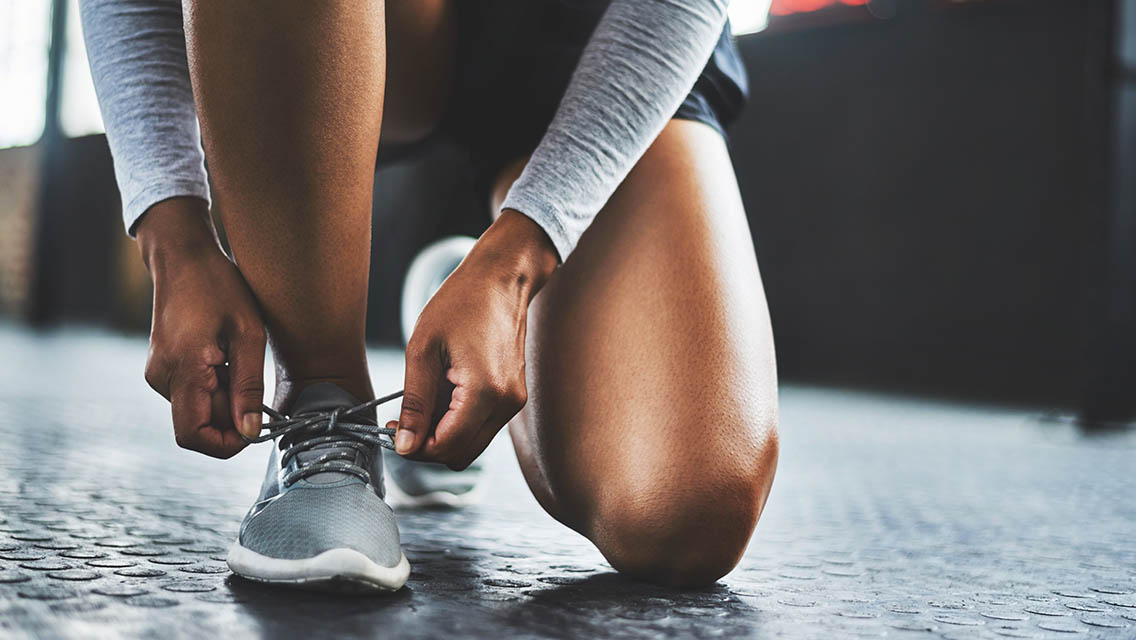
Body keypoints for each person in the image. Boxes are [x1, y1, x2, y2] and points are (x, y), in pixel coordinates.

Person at [80, 0, 780, 590]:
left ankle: (468, 308)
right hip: (341, 28)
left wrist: (516, 263)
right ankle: (324, 401)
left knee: (683, 513)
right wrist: (172, 234)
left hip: (588, 34)